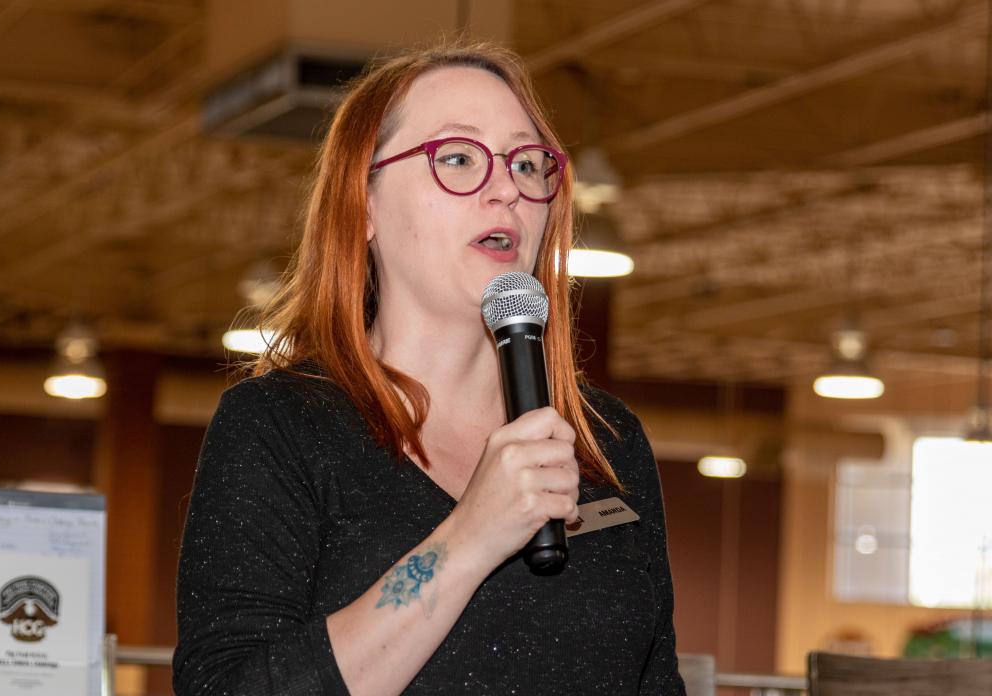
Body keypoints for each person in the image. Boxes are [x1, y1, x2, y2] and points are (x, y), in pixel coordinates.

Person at [173, 41, 685, 696]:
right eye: (459, 158)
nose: (508, 190)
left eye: (527, 164)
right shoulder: (279, 427)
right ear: (364, 204)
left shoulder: (605, 440)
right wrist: (470, 537)